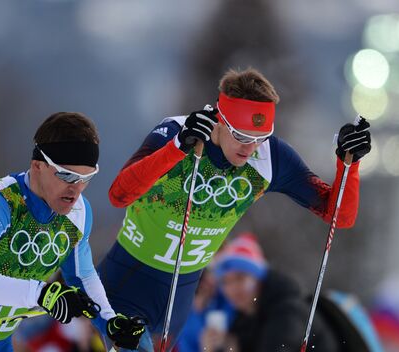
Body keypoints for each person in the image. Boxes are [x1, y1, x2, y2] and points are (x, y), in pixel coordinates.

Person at [95, 67, 372, 351]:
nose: (250, 147)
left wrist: (349, 164)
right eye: (241, 135)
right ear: (220, 119)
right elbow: (119, 195)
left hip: (180, 294)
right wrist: (177, 148)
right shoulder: (177, 132)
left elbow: (339, 216)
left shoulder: (271, 157)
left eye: (260, 136)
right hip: (128, 280)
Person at [0, 112, 144, 352]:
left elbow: (82, 276)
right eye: (67, 175)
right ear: (38, 166)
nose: (76, 190)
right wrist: (42, 294)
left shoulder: (78, 213)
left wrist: (110, 321)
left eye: (86, 178)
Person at [211, 233, 381, 352]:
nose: (233, 288)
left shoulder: (288, 310)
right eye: (225, 282)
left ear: (259, 278)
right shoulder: (245, 319)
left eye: (241, 278)